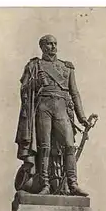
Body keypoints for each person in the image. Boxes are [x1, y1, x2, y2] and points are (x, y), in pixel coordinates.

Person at [15, 35, 89, 196]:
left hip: (62, 107)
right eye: (49, 44)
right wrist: (36, 83)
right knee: (45, 147)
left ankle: (73, 184)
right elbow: (24, 89)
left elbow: (74, 93)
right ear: (42, 47)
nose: (53, 47)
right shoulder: (34, 65)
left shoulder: (67, 67)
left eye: (55, 43)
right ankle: (45, 185)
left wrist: (82, 117)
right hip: (43, 106)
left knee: (69, 145)